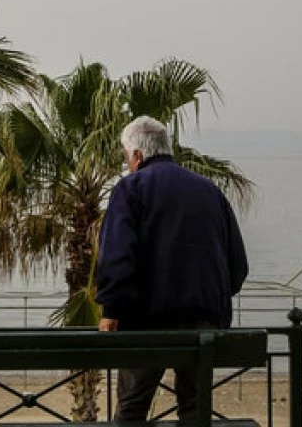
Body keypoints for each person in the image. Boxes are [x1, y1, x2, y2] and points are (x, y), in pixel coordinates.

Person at [94, 116, 249, 423]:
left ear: (137, 155)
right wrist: (211, 298)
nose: (127, 164)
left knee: (133, 407)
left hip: (147, 324)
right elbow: (238, 266)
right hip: (205, 322)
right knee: (195, 408)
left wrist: (112, 309)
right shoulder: (210, 191)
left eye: (126, 157)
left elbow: (117, 257)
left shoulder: (131, 188)